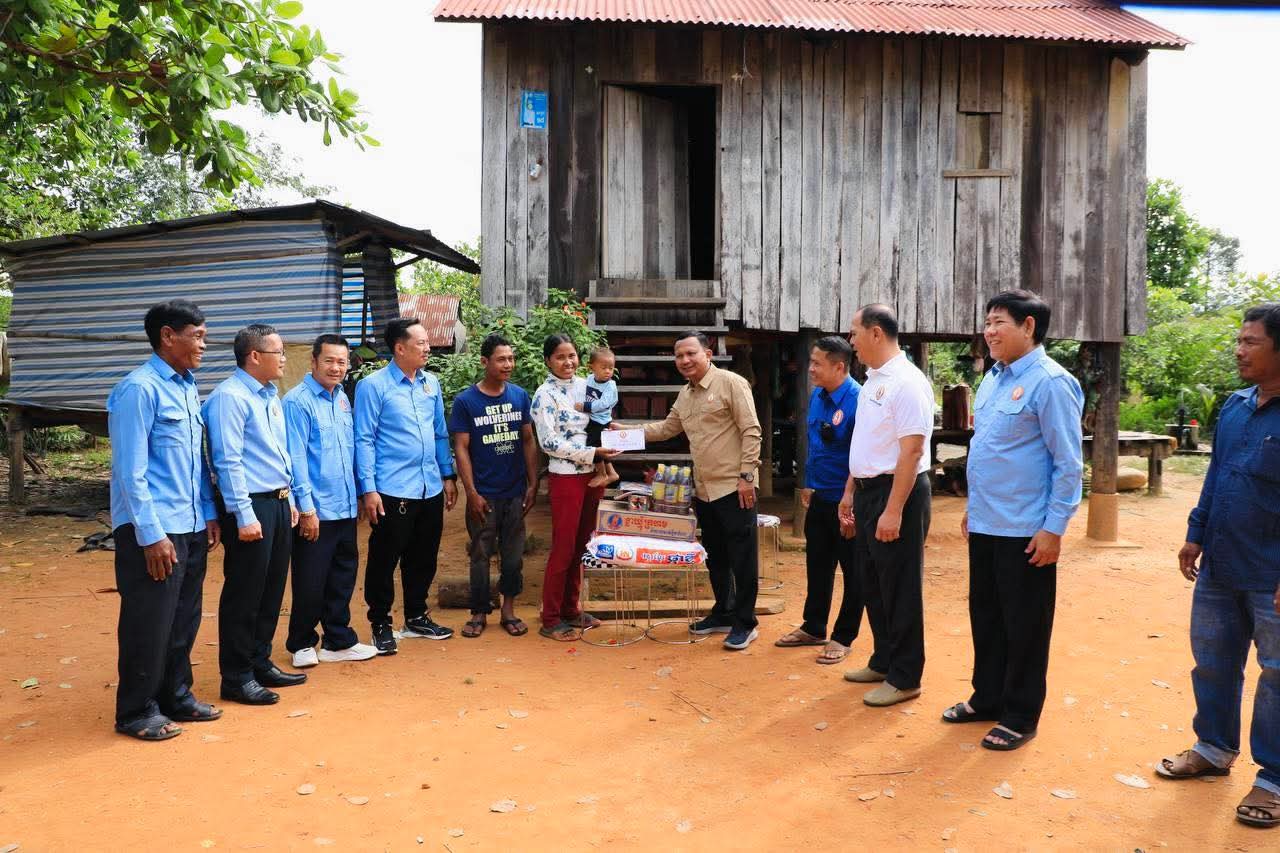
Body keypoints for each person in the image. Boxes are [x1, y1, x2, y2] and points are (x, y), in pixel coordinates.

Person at [1157, 303, 1280, 830]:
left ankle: (1273, 779)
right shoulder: (1234, 407)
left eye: (1251, 342)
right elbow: (1216, 475)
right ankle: (1213, 747)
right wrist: (1195, 532)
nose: (1239, 350)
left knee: (1277, 675)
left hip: (1271, 574)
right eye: (1239, 340)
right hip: (1220, 565)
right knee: (1212, 662)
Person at [943, 290, 1083, 750]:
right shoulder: (992, 379)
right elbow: (989, 450)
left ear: (1028, 327)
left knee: (1025, 625)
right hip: (987, 523)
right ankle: (987, 698)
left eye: (998, 322)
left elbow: (1068, 464)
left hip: (1027, 530)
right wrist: (973, 508)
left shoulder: (1052, 382)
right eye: (987, 322)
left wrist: (1053, 529)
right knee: (986, 616)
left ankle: (1021, 715)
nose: (989, 331)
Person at [107, 300, 222, 740]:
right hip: (155, 528)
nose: (204, 345)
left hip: (189, 523)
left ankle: (176, 695)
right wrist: (151, 535)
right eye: (197, 336)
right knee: (149, 621)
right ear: (168, 336)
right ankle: (136, 711)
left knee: (183, 618)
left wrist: (208, 512)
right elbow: (129, 471)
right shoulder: (139, 390)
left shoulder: (187, 387)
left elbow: (196, 462)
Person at [642, 331, 763, 651]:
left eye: (690, 353)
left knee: (742, 557)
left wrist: (747, 476)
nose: (684, 360)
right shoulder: (686, 394)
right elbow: (666, 429)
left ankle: (745, 623)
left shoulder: (731, 383)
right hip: (704, 490)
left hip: (734, 486)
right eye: (679, 355)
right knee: (716, 556)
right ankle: (724, 611)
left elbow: (752, 430)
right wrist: (625, 433)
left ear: (707, 354)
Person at [838, 304, 934, 706]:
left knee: (900, 587)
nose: (851, 341)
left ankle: (906, 676)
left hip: (897, 492)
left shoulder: (907, 382)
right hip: (867, 491)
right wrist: (850, 491)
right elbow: (866, 442)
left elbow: (912, 451)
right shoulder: (873, 380)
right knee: (872, 582)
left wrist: (893, 510)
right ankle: (884, 660)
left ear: (876, 333)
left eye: (854, 332)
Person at [205, 323, 304, 706]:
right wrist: (243, 514)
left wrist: (288, 497)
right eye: (279, 352)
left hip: (276, 502)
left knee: (271, 588)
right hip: (250, 505)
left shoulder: (269, 395)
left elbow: (276, 454)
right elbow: (227, 461)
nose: (284, 358)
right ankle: (236, 676)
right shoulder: (230, 397)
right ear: (255, 356)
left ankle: (260, 662)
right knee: (245, 592)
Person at [354, 317, 458, 655]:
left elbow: (440, 432)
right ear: (400, 348)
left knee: (423, 556)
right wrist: (369, 489)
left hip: (429, 486)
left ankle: (416, 616)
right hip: (392, 488)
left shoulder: (431, 383)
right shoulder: (373, 386)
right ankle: (380, 623)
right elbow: (364, 439)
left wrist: (447, 475)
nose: (428, 348)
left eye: (427, 342)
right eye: (421, 343)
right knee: (385, 558)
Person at [282, 334, 377, 668]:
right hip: (316, 509)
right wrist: (307, 509)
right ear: (313, 362)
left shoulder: (342, 399)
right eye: (329, 361)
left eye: (342, 362)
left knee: (342, 576)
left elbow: (349, 451)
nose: (336, 368)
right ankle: (301, 643)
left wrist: (361, 494)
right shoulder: (297, 402)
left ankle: (338, 640)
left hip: (344, 505)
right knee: (311, 578)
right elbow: (295, 458)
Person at [775, 335, 864, 665]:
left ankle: (844, 636)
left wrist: (850, 499)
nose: (810, 368)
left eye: (817, 363)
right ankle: (814, 627)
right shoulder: (817, 396)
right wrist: (808, 484)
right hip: (820, 495)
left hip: (849, 500)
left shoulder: (859, 400)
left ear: (839, 367)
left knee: (854, 571)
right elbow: (816, 444)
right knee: (818, 564)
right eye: (810, 362)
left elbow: (862, 454)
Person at [530, 334, 620, 640]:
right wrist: (592, 452)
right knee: (564, 547)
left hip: (593, 475)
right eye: (560, 357)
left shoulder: (586, 385)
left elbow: (600, 417)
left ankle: (571, 609)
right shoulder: (545, 395)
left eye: (571, 356)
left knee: (582, 545)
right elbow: (549, 442)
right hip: (566, 476)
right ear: (548, 361)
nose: (567, 362)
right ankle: (551, 618)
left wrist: (611, 433)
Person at [449, 333, 538, 638]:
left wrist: (533, 483)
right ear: (484, 362)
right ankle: (478, 612)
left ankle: (508, 611)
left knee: (513, 556)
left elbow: (528, 440)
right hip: (483, 495)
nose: (508, 364)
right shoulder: (466, 402)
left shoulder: (520, 396)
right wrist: (472, 493)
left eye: (511, 358)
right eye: (501, 359)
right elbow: (461, 448)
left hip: (514, 492)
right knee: (480, 554)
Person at [578, 346, 620, 488]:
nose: (608, 371)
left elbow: (603, 404)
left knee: (593, 447)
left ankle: (602, 474)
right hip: (592, 419)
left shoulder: (610, 386)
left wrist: (585, 407)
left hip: (601, 422)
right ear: (592, 367)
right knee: (601, 448)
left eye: (611, 368)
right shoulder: (589, 379)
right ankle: (612, 473)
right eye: (604, 368)